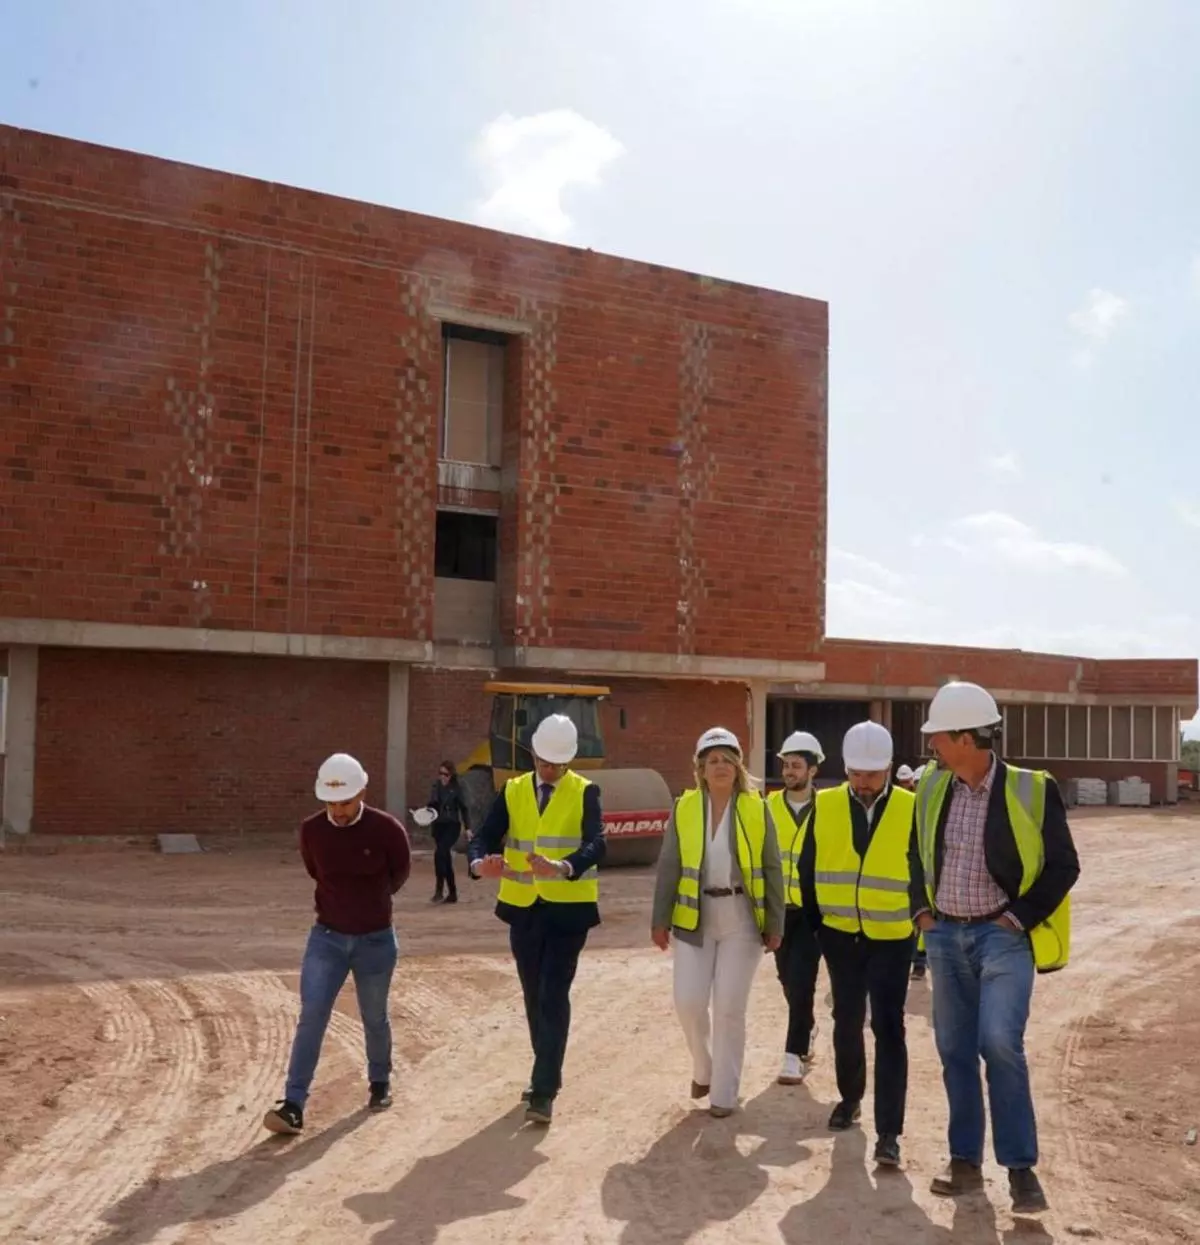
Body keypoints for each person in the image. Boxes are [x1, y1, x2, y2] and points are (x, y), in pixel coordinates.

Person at [913, 681, 1080, 1216]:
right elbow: (917, 854)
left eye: (939, 735)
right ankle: (964, 1161)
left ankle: (1020, 1171)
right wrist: (923, 910)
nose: (932, 744)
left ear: (966, 738)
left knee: (1000, 1044)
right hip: (945, 936)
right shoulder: (933, 789)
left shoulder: (1033, 789)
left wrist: (1018, 919)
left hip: (1002, 937)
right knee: (954, 1050)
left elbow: (1063, 865)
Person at [468, 714, 606, 1126]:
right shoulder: (512, 790)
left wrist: (563, 867)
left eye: (558, 764)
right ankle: (544, 1071)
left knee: (552, 993)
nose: (551, 770)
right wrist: (479, 864)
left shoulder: (585, 791)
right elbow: (483, 836)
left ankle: (543, 1090)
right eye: (545, 762)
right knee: (533, 995)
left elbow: (597, 843)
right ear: (534, 754)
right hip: (523, 908)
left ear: (569, 760)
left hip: (568, 910)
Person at [263, 753, 411, 1134]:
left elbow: (399, 873)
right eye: (330, 802)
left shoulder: (388, 830)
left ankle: (380, 1082)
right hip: (326, 938)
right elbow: (316, 871)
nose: (338, 810)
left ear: (362, 791)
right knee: (312, 1016)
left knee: (373, 1015)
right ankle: (293, 1104)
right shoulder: (311, 830)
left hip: (376, 940)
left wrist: (370, 906)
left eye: (345, 802)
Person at [798, 720, 921, 1168]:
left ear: (888, 768)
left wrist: (916, 922)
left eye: (872, 773)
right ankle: (850, 1100)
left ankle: (889, 1132)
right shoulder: (825, 804)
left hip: (892, 937)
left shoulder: (912, 806)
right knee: (845, 1020)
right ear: (846, 769)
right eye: (856, 773)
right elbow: (808, 869)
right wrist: (818, 927)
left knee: (889, 1029)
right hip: (839, 936)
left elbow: (923, 867)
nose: (864, 782)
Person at [651, 727, 785, 1118]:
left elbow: (773, 867)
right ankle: (703, 1067)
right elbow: (669, 865)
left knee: (728, 1006)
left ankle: (724, 1094)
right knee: (688, 1002)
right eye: (713, 760)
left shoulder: (757, 808)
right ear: (701, 768)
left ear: (738, 766)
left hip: (742, 920)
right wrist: (660, 919)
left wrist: (775, 922)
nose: (720, 765)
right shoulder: (686, 807)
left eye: (727, 759)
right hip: (695, 919)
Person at [765, 730, 824, 1084]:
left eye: (796, 766)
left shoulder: (829, 808)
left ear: (812, 770)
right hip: (777, 909)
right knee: (787, 979)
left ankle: (794, 1053)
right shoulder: (767, 806)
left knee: (803, 980)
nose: (789, 772)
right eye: (786, 765)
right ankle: (809, 1026)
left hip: (813, 910)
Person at [428, 760, 470, 904]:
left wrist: (468, 828)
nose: (442, 777)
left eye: (445, 774)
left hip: (452, 825)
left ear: (451, 775)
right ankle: (450, 893)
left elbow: (464, 809)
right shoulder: (436, 786)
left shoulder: (456, 788)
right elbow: (431, 805)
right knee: (442, 857)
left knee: (441, 853)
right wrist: (425, 814)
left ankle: (441, 891)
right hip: (438, 825)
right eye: (440, 774)